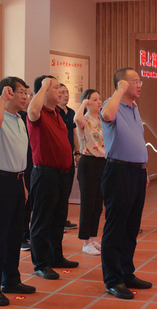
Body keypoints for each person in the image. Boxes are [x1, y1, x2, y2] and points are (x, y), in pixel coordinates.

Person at [0, 77, 36, 306]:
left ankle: (11, 280)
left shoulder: (19, 119)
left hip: (16, 181)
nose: (25, 96)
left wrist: (22, 183)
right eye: (20, 92)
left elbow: (18, 156)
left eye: (26, 92)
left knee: (15, 235)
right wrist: (1, 100)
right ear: (8, 93)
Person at [100, 68, 151, 300]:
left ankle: (126, 273)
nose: (139, 85)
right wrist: (118, 92)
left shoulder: (134, 107)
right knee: (116, 227)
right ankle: (113, 280)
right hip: (118, 171)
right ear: (122, 84)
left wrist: (144, 169)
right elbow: (107, 116)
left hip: (136, 172)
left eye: (140, 81)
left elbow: (137, 139)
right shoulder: (112, 105)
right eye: (135, 81)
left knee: (131, 226)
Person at [27, 77, 78, 281]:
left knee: (58, 219)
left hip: (62, 174)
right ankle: (40, 264)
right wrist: (43, 86)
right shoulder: (37, 113)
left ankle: (56, 257)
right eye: (55, 88)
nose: (60, 91)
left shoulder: (57, 112)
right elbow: (32, 110)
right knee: (42, 221)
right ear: (44, 91)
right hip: (45, 174)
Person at [74, 89, 105, 256]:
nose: (99, 101)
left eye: (99, 98)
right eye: (94, 99)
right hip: (89, 163)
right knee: (88, 204)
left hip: (102, 163)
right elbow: (76, 119)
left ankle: (93, 239)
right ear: (87, 102)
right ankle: (85, 242)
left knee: (98, 204)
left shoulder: (101, 119)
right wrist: (83, 105)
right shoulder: (84, 119)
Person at [56, 85, 79, 231]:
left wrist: (77, 153)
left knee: (67, 190)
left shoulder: (71, 112)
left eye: (67, 92)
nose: (66, 95)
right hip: (58, 158)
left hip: (70, 155)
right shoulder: (54, 112)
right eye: (62, 92)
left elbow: (75, 134)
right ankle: (57, 221)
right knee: (58, 191)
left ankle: (63, 220)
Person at [17, 86, 34, 251]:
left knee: (31, 203)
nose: (28, 97)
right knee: (24, 203)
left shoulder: (32, 116)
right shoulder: (19, 117)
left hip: (34, 165)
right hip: (22, 167)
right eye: (26, 94)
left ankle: (28, 233)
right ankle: (22, 236)